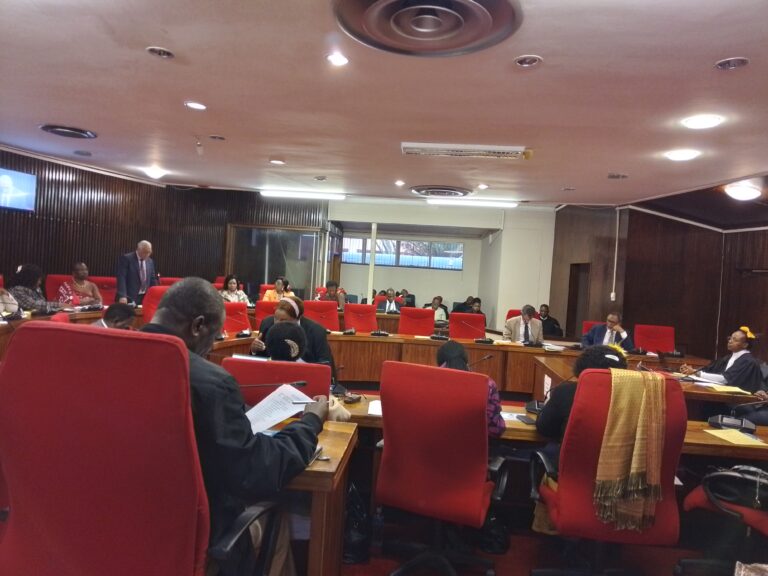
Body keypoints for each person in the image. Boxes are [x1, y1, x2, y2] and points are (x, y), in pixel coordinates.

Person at [141, 277, 328, 574]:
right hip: (187, 539)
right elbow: (256, 473)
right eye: (215, 337)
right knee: (274, 517)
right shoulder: (210, 383)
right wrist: (310, 422)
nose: (211, 347)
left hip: (102, 530)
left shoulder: (105, 360)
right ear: (198, 326)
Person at [536, 345, 629, 444]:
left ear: (581, 367)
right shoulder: (631, 396)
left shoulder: (566, 391)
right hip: (616, 453)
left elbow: (545, 429)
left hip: (572, 454)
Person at [436, 341, 505, 438]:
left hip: (435, 444)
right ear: (466, 361)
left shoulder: (428, 382)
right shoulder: (487, 384)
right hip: (474, 446)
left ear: (439, 362)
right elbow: (496, 429)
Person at [251, 296, 333, 366]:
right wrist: (254, 350)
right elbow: (260, 359)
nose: (277, 323)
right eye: (275, 318)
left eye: (283, 320)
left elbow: (325, 364)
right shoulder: (267, 324)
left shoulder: (316, 331)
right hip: (274, 373)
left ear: (297, 318)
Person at [680, 327, 763, 393]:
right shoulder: (728, 358)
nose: (730, 341)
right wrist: (692, 371)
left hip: (737, 401)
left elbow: (725, 379)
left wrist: (697, 373)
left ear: (745, 345)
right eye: (730, 338)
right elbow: (709, 369)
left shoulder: (748, 361)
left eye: (735, 340)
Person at [116, 240, 158, 305]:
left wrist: (156, 294)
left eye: (149, 252)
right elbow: (121, 278)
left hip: (145, 296)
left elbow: (152, 279)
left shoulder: (150, 261)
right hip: (129, 296)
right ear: (138, 249)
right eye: (145, 252)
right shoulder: (127, 258)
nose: (147, 255)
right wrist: (122, 295)